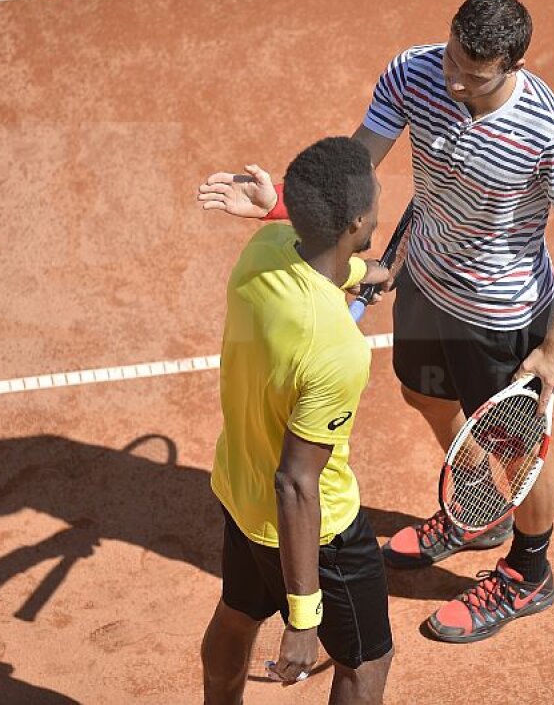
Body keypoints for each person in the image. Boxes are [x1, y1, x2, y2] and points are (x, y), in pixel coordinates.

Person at [198, 0, 554, 644]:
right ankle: (479, 507)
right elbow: (357, 162)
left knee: (520, 450)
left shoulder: (549, 129)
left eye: (472, 74)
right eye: (451, 56)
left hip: (502, 312)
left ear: (513, 68)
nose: (452, 78)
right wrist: (282, 201)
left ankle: (529, 572)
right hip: (423, 274)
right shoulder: (414, 72)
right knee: (421, 394)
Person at [198, 137, 394, 705]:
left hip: (240, 491)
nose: (382, 192)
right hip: (319, 532)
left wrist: (359, 270)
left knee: (237, 615)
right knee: (366, 660)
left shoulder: (263, 248)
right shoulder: (339, 349)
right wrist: (304, 618)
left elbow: (307, 260)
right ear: (359, 219)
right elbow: (297, 482)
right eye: (375, 190)